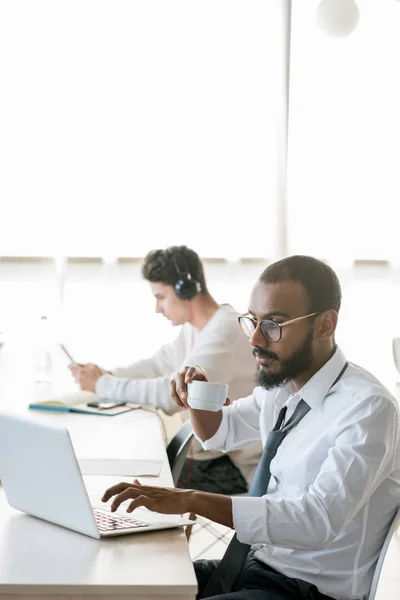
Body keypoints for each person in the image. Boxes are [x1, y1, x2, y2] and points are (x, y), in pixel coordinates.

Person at [101, 255, 400, 600]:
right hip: (254, 568)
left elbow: (316, 521)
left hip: (304, 591)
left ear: (324, 326)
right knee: (122, 585)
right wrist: (196, 393)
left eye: (273, 325)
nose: (255, 339)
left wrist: (190, 499)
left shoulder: (367, 409)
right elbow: (218, 433)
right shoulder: (283, 389)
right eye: (252, 322)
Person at [70, 245, 261, 494]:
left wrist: (102, 385)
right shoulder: (197, 329)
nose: (157, 308)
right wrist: (105, 374)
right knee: (129, 469)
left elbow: (172, 396)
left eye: (160, 297)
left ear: (186, 288)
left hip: (231, 464)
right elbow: (158, 365)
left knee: (133, 483)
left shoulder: (224, 332)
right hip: (208, 455)